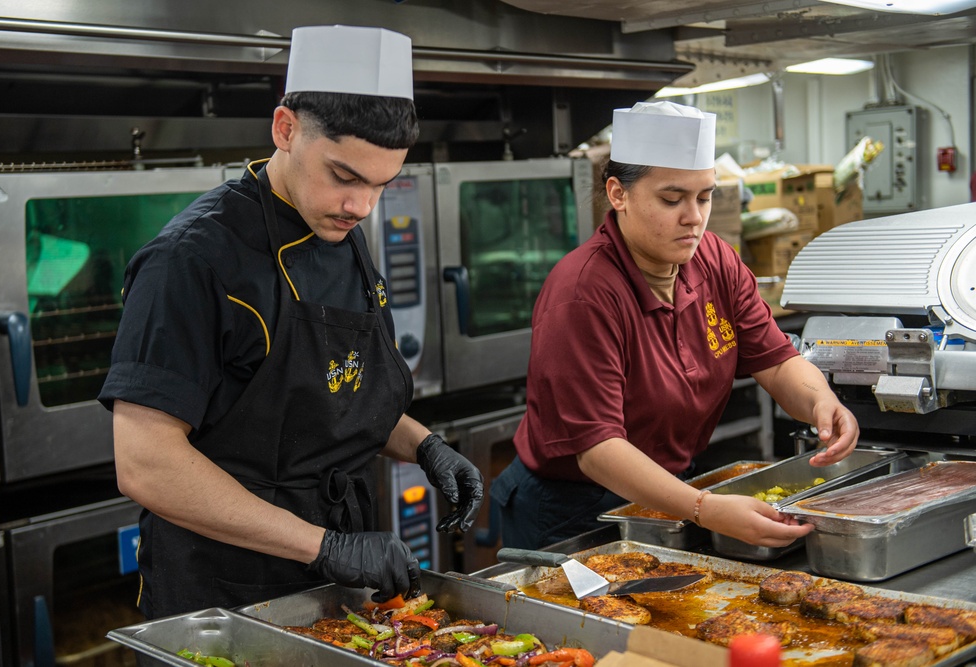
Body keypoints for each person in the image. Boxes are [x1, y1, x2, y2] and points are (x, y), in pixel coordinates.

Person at [99, 25, 483, 619]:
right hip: (222, 593)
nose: (361, 207)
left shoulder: (338, 228)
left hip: (333, 581)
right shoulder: (191, 259)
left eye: (382, 184)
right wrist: (325, 546)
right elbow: (145, 462)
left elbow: (329, 390)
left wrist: (424, 445)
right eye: (345, 176)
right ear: (285, 129)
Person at [493, 101, 859, 551]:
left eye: (705, 197)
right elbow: (598, 450)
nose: (694, 217)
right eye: (672, 199)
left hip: (671, 490)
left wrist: (822, 401)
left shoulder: (715, 260)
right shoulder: (584, 293)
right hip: (570, 511)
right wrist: (704, 507)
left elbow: (778, 361)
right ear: (618, 194)